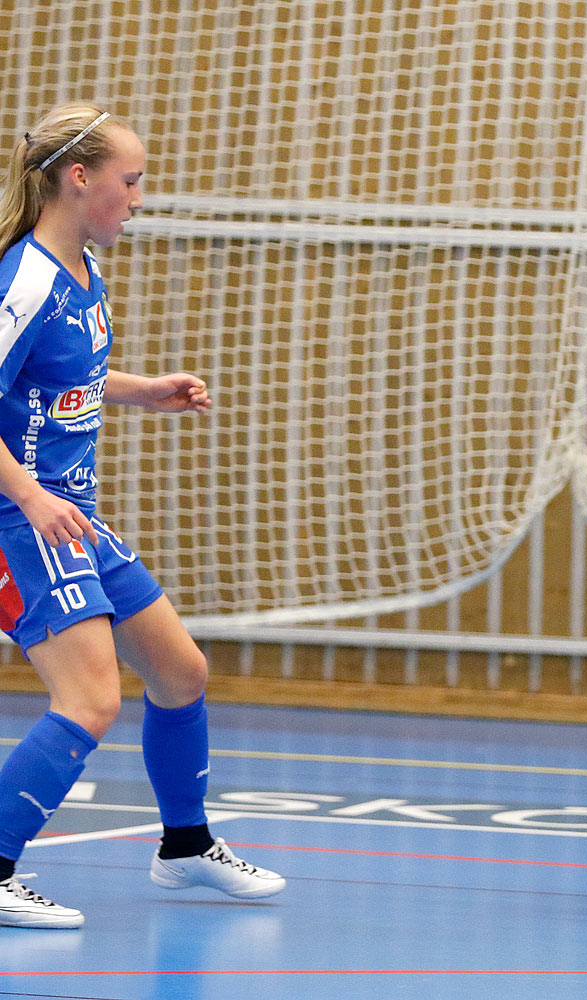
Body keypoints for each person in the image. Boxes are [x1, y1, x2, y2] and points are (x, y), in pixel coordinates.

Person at [0, 103, 285, 929]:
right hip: (23, 522)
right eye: (131, 181)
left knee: (180, 671)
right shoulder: (22, 278)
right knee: (90, 701)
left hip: (71, 516)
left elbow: (56, 380)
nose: (137, 198)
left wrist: (141, 389)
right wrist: (27, 494)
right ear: (78, 179)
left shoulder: (83, 272)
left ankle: (186, 847)